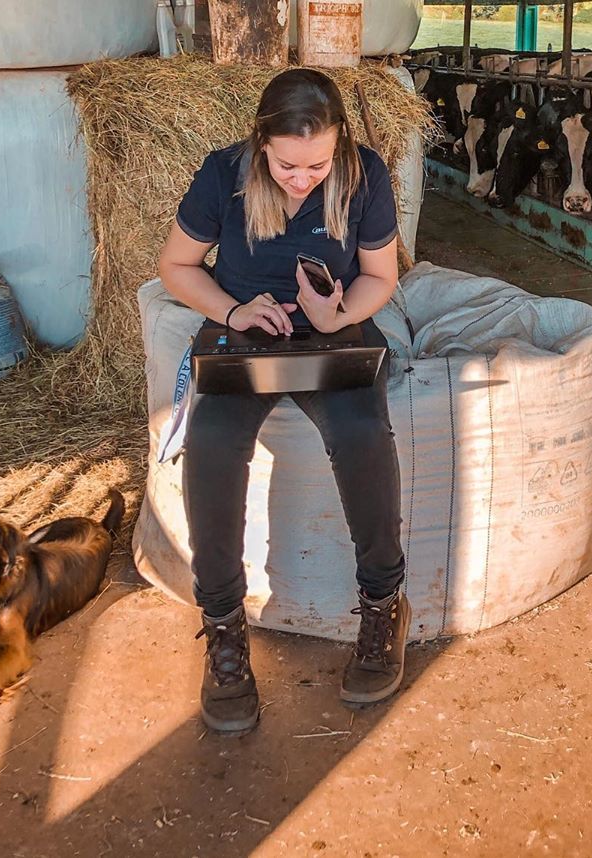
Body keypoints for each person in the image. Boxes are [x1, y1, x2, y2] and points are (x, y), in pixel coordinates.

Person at [157, 68, 410, 735]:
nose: (303, 179)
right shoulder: (223, 173)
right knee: (211, 446)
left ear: (341, 147)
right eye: (288, 166)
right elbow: (176, 266)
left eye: (317, 165)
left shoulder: (365, 175)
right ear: (261, 145)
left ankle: (384, 606)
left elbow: (381, 275)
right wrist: (236, 308)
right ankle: (223, 628)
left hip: (335, 326)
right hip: (244, 328)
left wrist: (338, 316)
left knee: (361, 434)